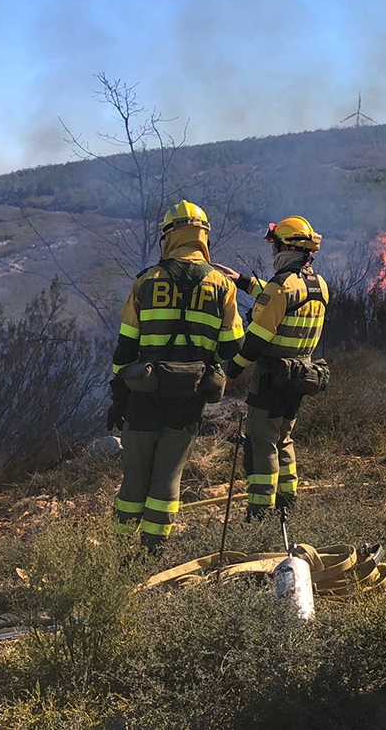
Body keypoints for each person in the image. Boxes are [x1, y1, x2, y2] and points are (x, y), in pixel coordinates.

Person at [107, 201, 242, 552]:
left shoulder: (146, 281)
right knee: (169, 476)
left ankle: (120, 552)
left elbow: (124, 349)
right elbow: (231, 347)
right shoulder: (221, 285)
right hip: (190, 399)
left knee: (135, 475)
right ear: (203, 237)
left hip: (144, 396)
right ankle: (153, 551)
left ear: (169, 236)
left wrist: (117, 398)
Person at [215, 217, 329, 522]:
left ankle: (259, 513)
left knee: (261, 442)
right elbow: (283, 298)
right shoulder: (318, 286)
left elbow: (256, 339)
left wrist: (232, 369)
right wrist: (242, 281)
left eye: (275, 245)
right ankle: (287, 504)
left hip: (271, 379)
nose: (273, 252)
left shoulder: (282, 286)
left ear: (286, 247)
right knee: (284, 440)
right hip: (301, 377)